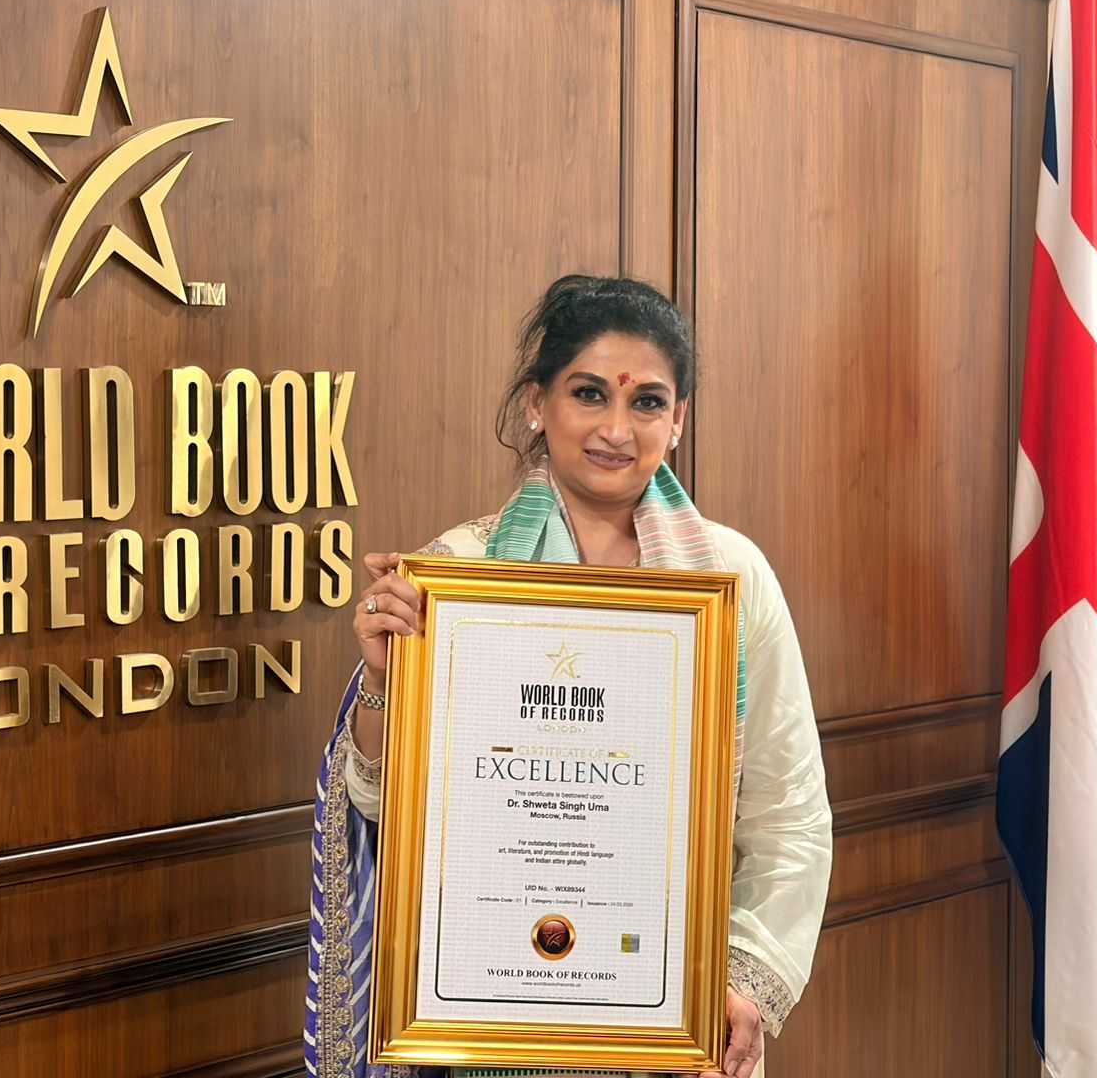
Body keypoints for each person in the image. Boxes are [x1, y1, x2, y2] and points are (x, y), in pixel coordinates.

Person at [304, 276, 831, 1078]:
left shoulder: (730, 580)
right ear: (536, 404)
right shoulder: (462, 574)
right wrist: (382, 678)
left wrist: (743, 983)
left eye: (648, 402)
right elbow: (386, 810)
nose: (617, 429)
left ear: (678, 421)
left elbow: (788, 815)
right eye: (589, 394)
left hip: (682, 1029)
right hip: (493, 1018)